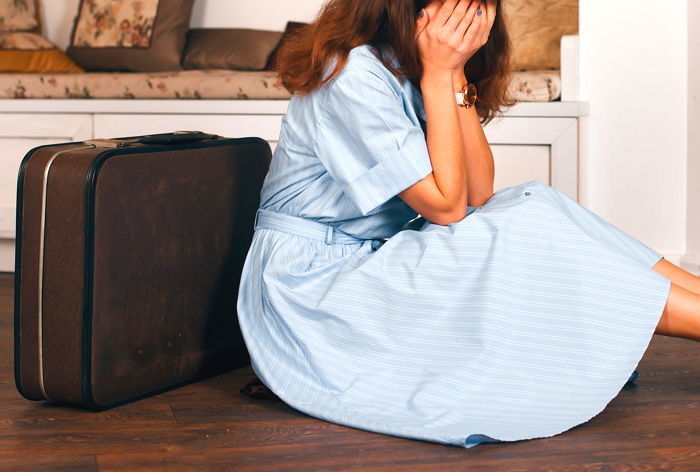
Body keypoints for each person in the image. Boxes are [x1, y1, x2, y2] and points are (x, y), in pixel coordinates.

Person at [236, 0, 700, 448]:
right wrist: (440, 74)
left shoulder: (407, 64)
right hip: (313, 285)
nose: (476, 17)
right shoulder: (351, 73)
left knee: (533, 201)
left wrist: (453, 73)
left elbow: (481, 192)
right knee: (524, 229)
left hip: (368, 259)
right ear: (411, 9)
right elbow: (447, 207)